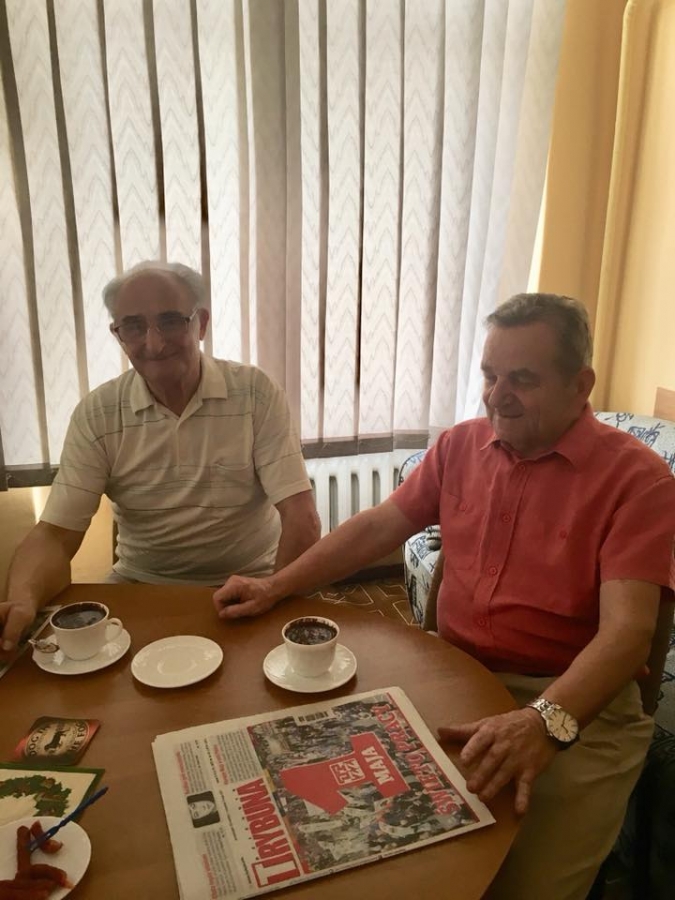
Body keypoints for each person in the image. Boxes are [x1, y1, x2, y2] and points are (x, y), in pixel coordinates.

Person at [211, 293, 675, 899]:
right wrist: (276, 585)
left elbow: (627, 635)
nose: (497, 396)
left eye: (523, 379)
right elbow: (378, 527)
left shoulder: (639, 481)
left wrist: (542, 723)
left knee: (518, 887)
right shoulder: (461, 445)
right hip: (452, 671)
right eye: (490, 375)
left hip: (573, 702)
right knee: (365, 844)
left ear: (580, 384)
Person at [0, 261, 320, 655]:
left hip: (252, 581)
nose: (153, 344)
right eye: (133, 326)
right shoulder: (98, 413)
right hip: (139, 587)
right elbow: (54, 536)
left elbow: (301, 518)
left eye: (170, 321)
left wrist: (274, 591)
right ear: (118, 335)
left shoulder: (255, 393)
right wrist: (22, 599)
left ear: (200, 324)